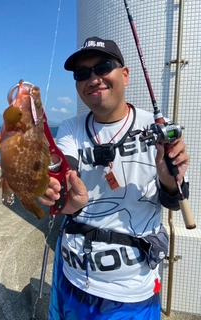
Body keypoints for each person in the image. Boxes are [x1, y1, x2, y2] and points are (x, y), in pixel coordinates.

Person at [39, 36, 190, 320]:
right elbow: (64, 167)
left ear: (125, 74)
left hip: (131, 292)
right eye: (83, 74)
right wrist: (53, 190)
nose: (93, 78)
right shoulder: (71, 128)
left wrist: (168, 176)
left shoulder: (159, 129)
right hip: (70, 276)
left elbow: (172, 197)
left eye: (103, 66)